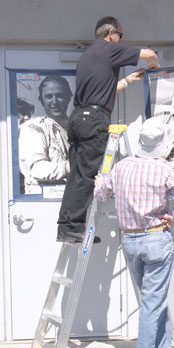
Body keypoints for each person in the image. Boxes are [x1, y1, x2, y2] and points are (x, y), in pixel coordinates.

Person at [94, 118, 174, 348]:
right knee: (153, 302)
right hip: (155, 238)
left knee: (153, 300)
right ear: (161, 145)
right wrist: (173, 216)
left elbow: (102, 194)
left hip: (130, 240)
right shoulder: (163, 169)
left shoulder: (120, 167)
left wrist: (99, 181)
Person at [57, 16, 160, 244]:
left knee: (77, 174)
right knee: (87, 174)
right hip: (93, 120)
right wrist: (155, 67)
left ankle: (67, 227)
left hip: (79, 118)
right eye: (120, 36)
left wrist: (128, 81)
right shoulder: (108, 48)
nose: (121, 40)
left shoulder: (89, 55)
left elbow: (101, 92)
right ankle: (75, 228)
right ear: (111, 33)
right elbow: (150, 54)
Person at [19, 76, 72, 194]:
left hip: (72, 198)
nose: (54, 102)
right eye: (49, 96)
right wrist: (73, 166)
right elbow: (38, 170)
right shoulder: (34, 128)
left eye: (59, 95)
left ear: (68, 98)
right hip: (42, 201)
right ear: (41, 100)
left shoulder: (75, 127)